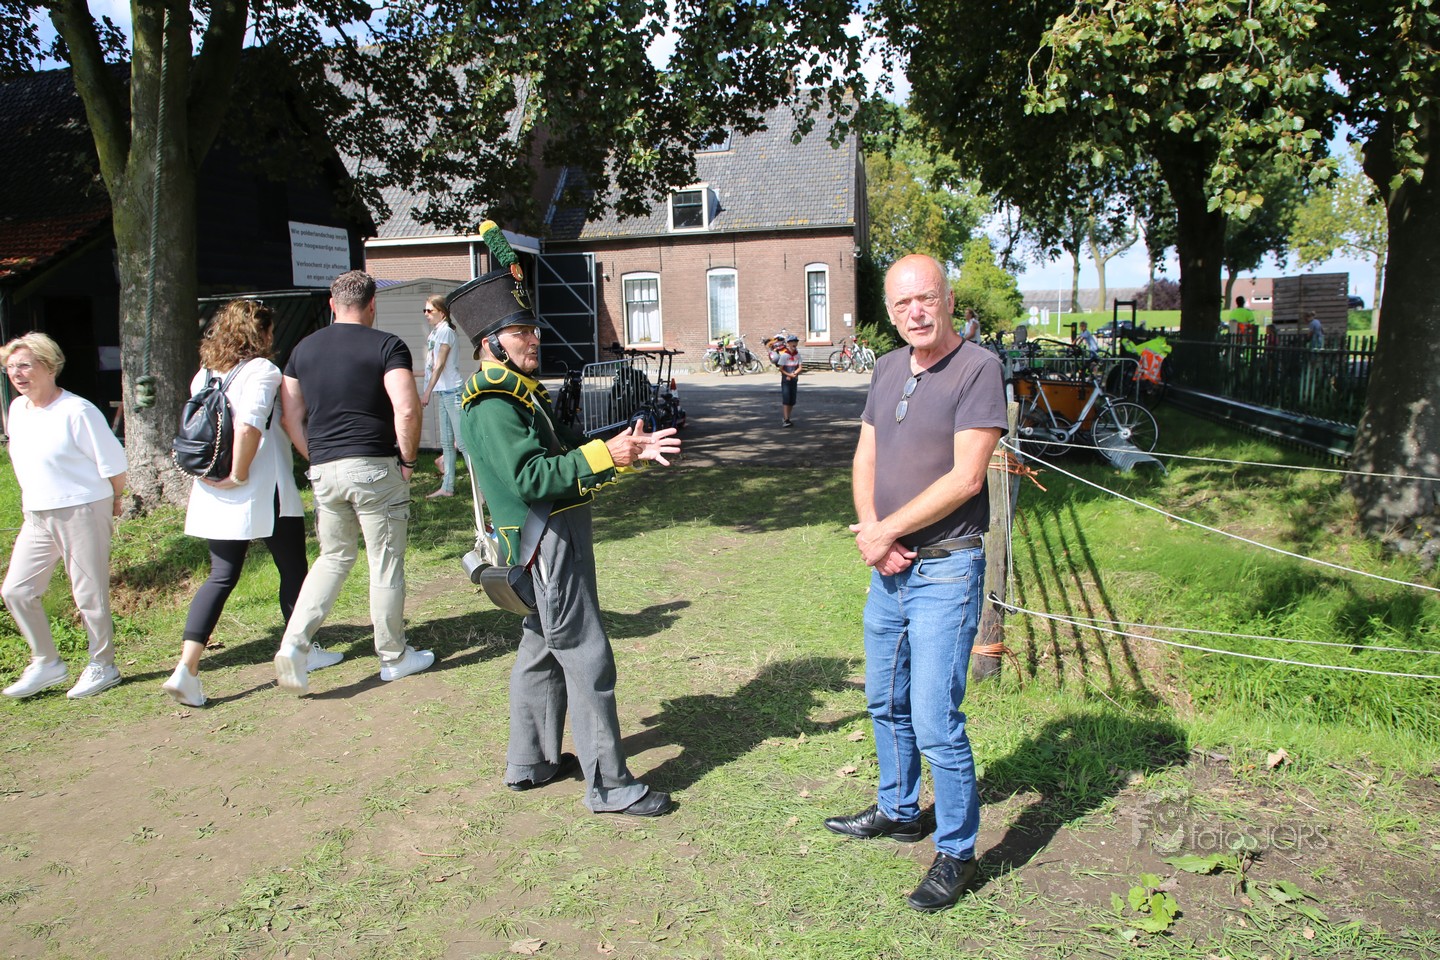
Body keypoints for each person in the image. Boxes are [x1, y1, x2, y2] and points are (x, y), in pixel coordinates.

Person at [451, 265, 681, 818]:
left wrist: (623, 450)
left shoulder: (517, 395)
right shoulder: (495, 402)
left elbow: (564, 450)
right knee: (585, 654)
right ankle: (609, 786)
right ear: (489, 343)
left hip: (553, 538)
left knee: (541, 648)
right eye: (519, 332)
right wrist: (606, 455)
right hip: (545, 544)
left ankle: (530, 761)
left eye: (532, 329)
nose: (533, 339)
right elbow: (531, 478)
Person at [824, 254, 1006, 913]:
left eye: (926, 298)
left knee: (935, 718)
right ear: (890, 312)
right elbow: (866, 453)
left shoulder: (979, 369)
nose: (916, 313)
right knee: (883, 699)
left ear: (949, 300)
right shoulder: (887, 367)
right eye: (902, 304)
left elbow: (967, 478)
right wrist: (876, 533)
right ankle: (899, 810)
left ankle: (956, 851)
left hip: (946, 569)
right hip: (891, 566)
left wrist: (886, 532)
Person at [162, 300, 342, 708]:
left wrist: (223, 476)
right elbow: (249, 425)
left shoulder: (206, 374)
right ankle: (301, 649)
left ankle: (186, 667)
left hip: (213, 487)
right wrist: (240, 473)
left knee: (221, 576)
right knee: (293, 569)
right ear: (261, 334)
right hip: (261, 487)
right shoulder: (262, 370)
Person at [272, 270, 431, 694]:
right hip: (375, 466)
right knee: (385, 561)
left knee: (333, 558)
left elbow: (291, 417)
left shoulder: (302, 350)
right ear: (372, 305)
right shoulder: (387, 345)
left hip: (324, 471)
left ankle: (294, 644)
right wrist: (408, 460)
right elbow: (407, 409)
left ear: (332, 304)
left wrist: (318, 458)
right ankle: (393, 657)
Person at [1, 333, 128, 699]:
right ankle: (46, 662)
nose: (17, 374)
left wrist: (115, 500)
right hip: (37, 512)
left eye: (25, 365)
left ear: (49, 366)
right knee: (17, 590)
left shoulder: (77, 411)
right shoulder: (17, 410)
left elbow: (115, 465)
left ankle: (103, 665)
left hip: (82, 508)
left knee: (88, 593)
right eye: (10, 367)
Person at [420, 294, 470, 499]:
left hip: (453, 392)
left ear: (442, 313)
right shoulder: (436, 332)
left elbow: (440, 365)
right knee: (447, 443)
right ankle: (447, 488)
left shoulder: (446, 332)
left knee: (463, 444)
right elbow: (432, 366)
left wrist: (426, 393)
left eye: (429, 310)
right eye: (424, 310)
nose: (426, 314)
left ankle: (484, 491)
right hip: (444, 392)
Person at [778, 334, 801, 426]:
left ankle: (787, 417)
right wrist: (789, 375)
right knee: (786, 399)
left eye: (795, 342)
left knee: (792, 400)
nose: (794, 343)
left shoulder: (797, 355)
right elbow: (781, 369)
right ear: (788, 343)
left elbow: (800, 367)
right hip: (786, 381)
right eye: (792, 342)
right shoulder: (784, 356)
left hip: (794, 379)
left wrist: (794, 374)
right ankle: (786, 419)